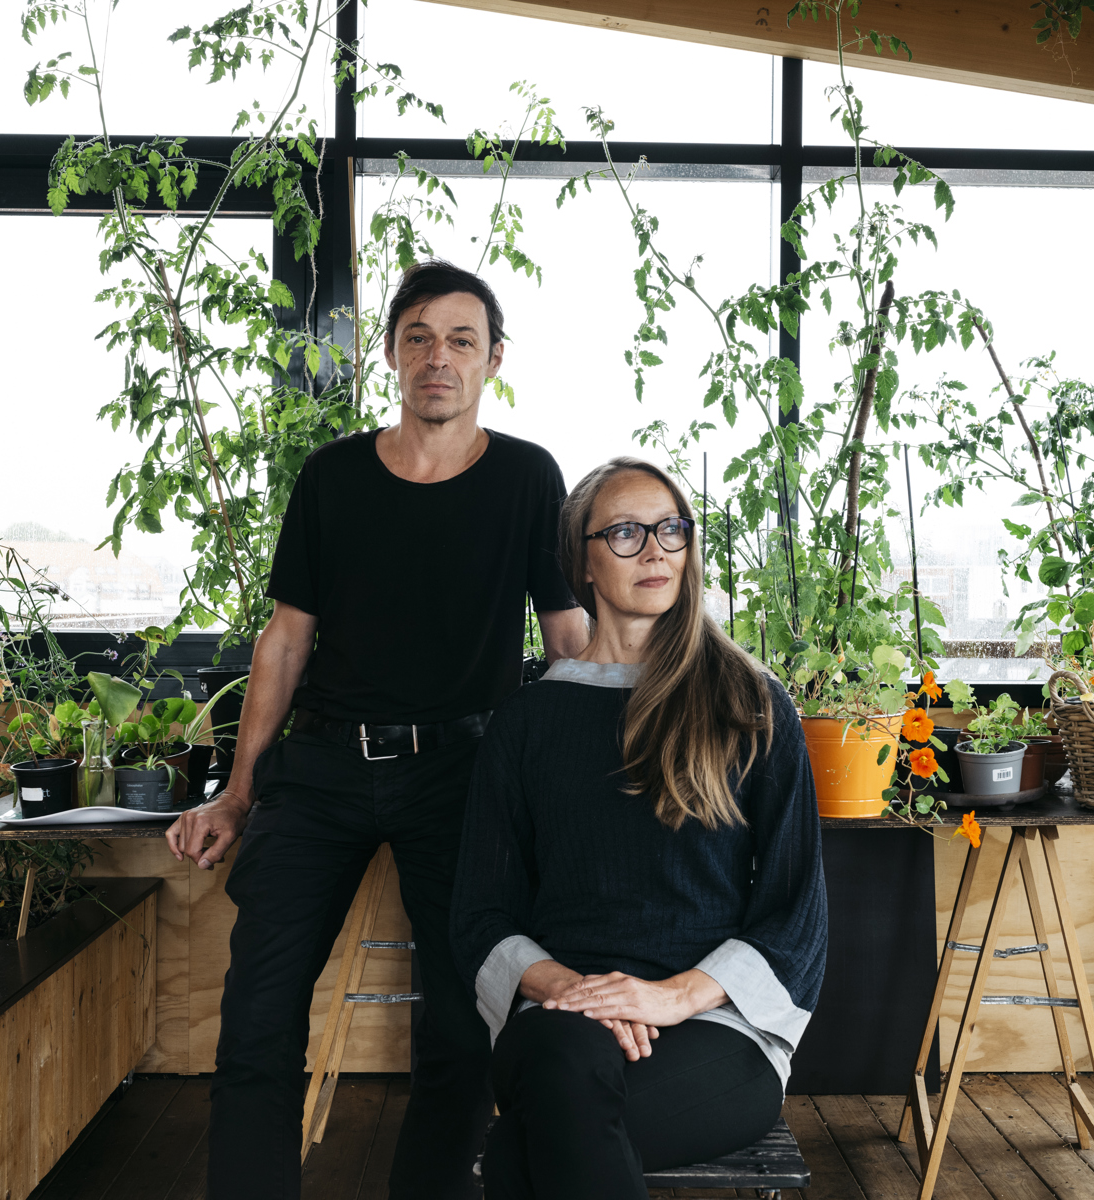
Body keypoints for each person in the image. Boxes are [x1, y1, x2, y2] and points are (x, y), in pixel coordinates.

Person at [165, 260, 589, 1200]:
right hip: (321, 770)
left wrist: (571, 787)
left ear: (494, 360)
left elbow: (567, 640)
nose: (440, 357)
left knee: (458, 1021)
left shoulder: (527, 477)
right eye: (420, 338)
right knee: (258, 1015)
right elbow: (284, 641)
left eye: (462, 340)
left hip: (463, 772)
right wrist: (239, 792)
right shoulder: (333, 477)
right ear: (394, 356)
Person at [450, 457, 828, 1200]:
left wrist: (670, 996)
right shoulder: (527, 722)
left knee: (526, 1148)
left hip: (717, 1028)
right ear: (581, 562)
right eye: (625, 532)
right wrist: (583, 991)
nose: (655, 549)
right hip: (561, 1017)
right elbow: (479, 912)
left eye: (670, 529)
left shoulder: (749, 704)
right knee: (561, 1071)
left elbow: (797, 914)